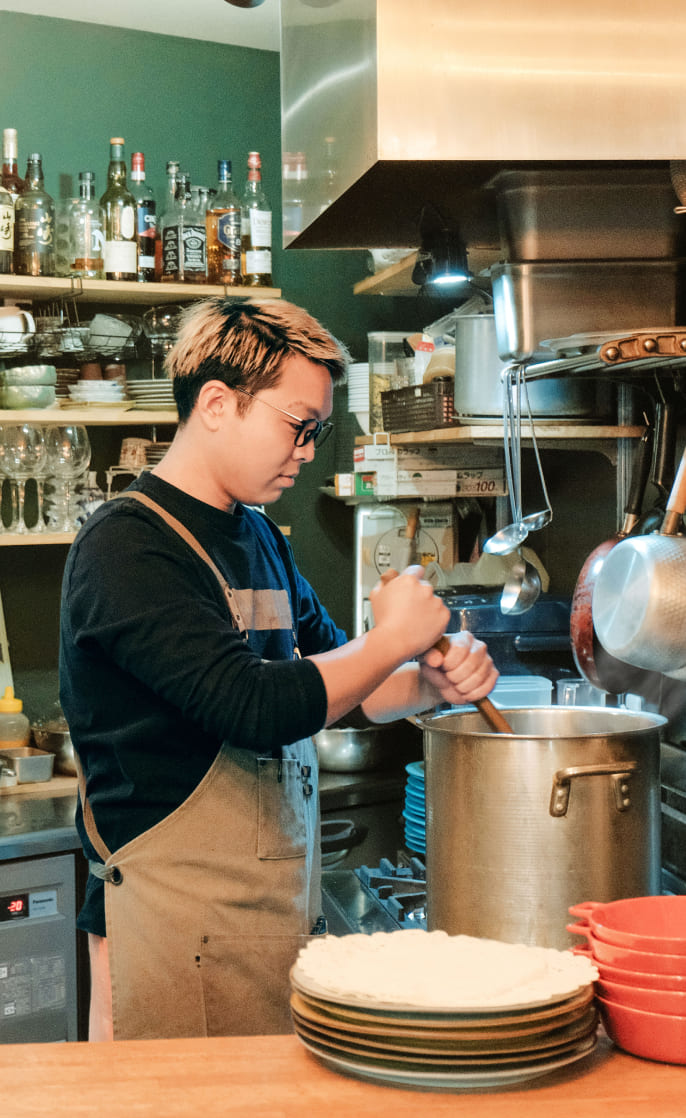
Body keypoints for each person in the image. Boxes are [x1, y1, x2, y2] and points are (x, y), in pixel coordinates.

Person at [59, 297, 498, 1042]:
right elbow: (252, 705)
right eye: (298, 425)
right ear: (219, 404)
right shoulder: (127, 549)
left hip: (264, 921)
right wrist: (390, 639)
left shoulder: (259, 536)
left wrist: (429, 682)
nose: (307, 450)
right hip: (173, 931)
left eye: (318, 431)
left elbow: (341, 690)